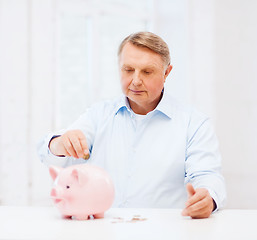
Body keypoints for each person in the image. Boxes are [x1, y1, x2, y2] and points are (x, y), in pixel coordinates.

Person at [38, 31, 226, 219]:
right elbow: (51, 154)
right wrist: (58, 144)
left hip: (164, 230)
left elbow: (207, 175)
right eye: (128, 70)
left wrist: (208, 197)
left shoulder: (194, 124)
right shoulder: (99, 114)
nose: (136, 80)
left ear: (167, 72)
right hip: (104, 230)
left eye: (147, 71)